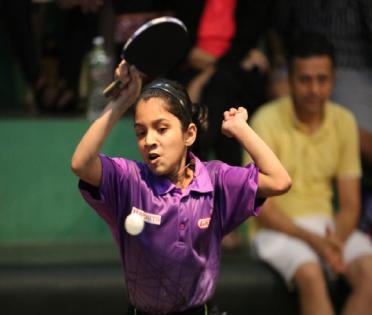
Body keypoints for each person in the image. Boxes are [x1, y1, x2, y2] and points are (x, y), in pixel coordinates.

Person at [71, 60, 291, 314]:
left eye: (161, 129)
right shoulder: (129, 181)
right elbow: (81, 163)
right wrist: (122, 101)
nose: (149, 141)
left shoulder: (216, 181)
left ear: (189, 134)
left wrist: (241, 129)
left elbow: (279, 180)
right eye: (140, 133)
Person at [245, 32, 372, 315]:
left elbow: (351, 205)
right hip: (276, 231)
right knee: (311, 274)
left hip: (329, 228)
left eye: (322, 79)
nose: (314, 89)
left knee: (369, 275)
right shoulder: (265, 121)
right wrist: (316, 242)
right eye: (305, 80)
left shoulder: (344, 121)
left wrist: (334, 243)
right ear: (289, 81)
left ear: (334, 79)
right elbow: (263, 208)